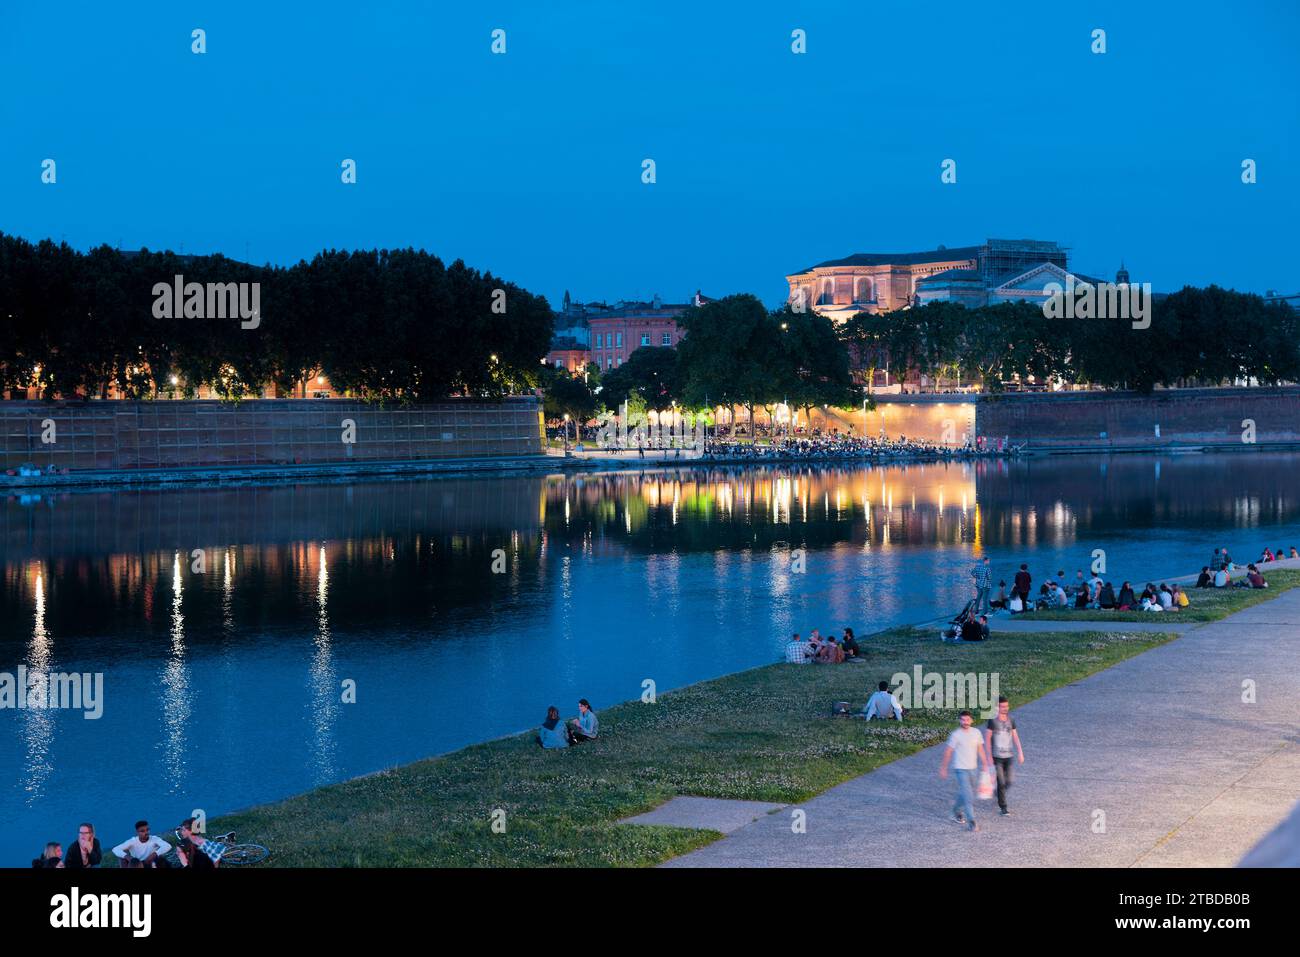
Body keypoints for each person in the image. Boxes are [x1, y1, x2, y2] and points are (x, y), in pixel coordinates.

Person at [939, 711, 991, 832]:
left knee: (965, 793)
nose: (965, 722)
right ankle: (972, 821)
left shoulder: (976, 733)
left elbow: (980, 749)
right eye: (963, 720)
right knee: (968, 796)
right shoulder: (956, 735)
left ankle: (955, 811)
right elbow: (948, 752)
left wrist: (985, 763)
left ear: (971, 720)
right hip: (960, 769)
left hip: (973, 769)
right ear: (960, 721)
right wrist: (943, 768)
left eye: (967, 720)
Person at [984, 697, 1024, 816]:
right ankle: (1003, 807)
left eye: (1006, 706)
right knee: (1001, 782)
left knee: (1009, 781)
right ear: (997, 707)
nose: (1005, 709)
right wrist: (989, 756)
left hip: (1009, 755)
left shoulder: (1011, 719)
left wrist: (1020, 752)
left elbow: (1015, 736)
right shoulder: (992, 721)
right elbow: (987, 739)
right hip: (997, 757)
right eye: (1002, 707)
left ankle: (998, 793)